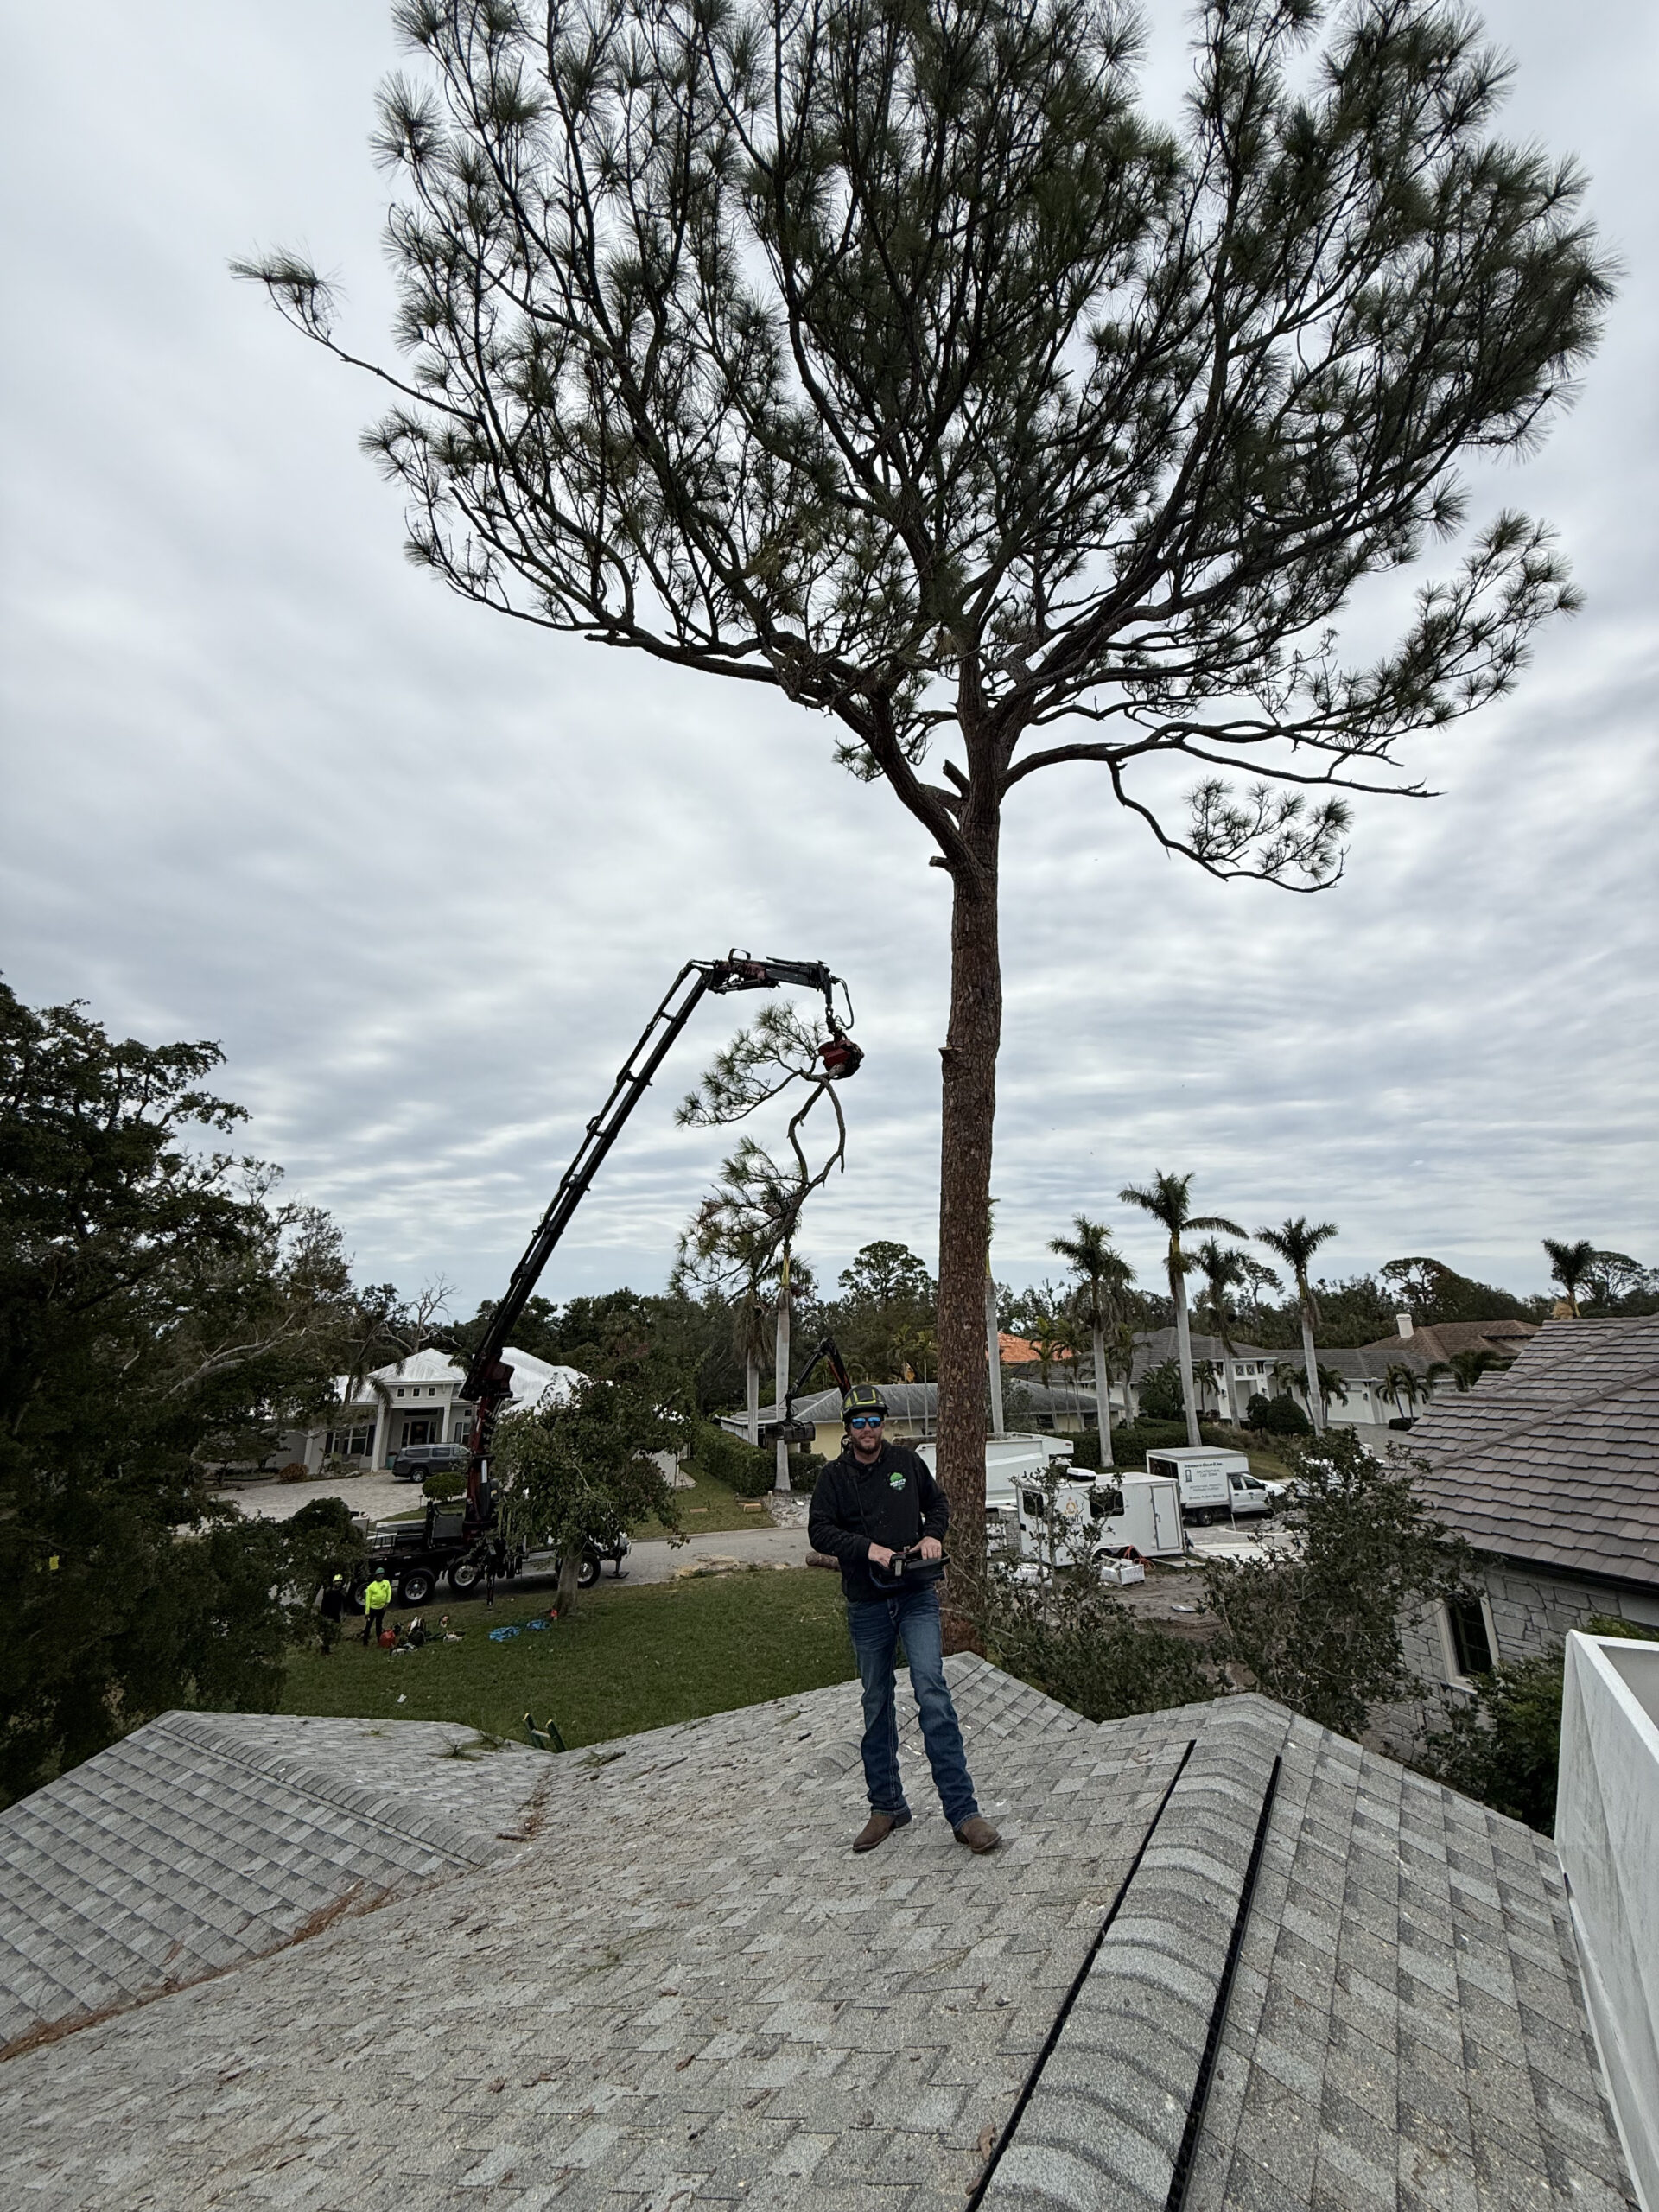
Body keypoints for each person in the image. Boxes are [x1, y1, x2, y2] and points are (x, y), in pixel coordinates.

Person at [808, 1384, 1001, 1856]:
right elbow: (819, 1531)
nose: (868, 1430)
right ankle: (887, 1806)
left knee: (931, 1690)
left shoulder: (907, 1464)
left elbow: (938, 1505)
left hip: (915, 1596)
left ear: (883, 1424)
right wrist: (866, 1549)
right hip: (867, 1603)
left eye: (874, 1421)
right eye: (858, 1423)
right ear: (848, 1429)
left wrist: (932, 1536)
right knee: (876, 1703)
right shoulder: (832, 1477)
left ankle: (964, 1813)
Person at [361, 1570, 393, 1646]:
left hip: (382, 1609)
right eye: (378, 1575)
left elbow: (389, 1593)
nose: (379, 1576)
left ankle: (379, 1640)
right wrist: (367, 1612)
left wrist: (387, 1603)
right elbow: (368, 1600)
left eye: (381, 1574)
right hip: (372, 1609)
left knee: (379, 1624)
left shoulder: (386, 1583)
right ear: (375, 1576)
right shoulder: (371, 1586)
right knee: (368, 1625)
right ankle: (365, 1641)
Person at [318, 1574, 346, 1656]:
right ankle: (325, 1649)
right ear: (334, 1582)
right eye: (337, 1582)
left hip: (336, 1614)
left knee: (336, 1629)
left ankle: (328, 1647)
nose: (339, 1583)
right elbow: (324, 1603)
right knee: (327, 1632)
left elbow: (344, 1603)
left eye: (340, 1582)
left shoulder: (341, 1592)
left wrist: (344, 1613)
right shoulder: (328, 1591)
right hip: (327, 1614)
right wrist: (322, 1614)